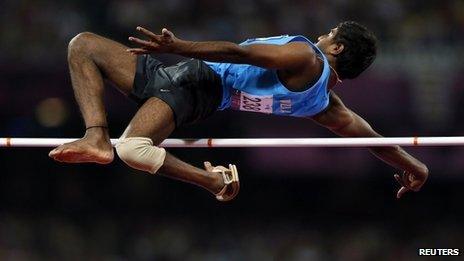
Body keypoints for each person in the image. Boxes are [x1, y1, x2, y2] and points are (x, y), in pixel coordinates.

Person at [49, 21, 429, 201]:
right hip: (182, 79)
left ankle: (216, 182)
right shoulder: (324, 105)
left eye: (328, 35)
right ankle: (96, 135)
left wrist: (180, 45)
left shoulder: (307, 57)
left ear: (338, 49)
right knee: (83, 45)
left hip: (198, 82)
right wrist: (414, 166)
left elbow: (241, 53)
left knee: (132, 148)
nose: (320, 37)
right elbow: (376, 141)